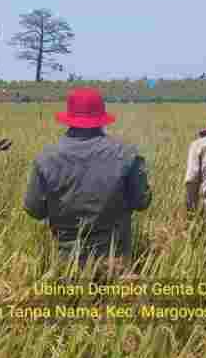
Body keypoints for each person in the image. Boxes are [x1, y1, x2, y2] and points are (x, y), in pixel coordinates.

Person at [23, 87, 151, 264]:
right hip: (115, 259)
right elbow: (141, 202)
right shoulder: (127, 155)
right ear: (101, 119)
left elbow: (34, 210)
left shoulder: (46, 158)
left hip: (65, 260)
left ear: (69, 119)